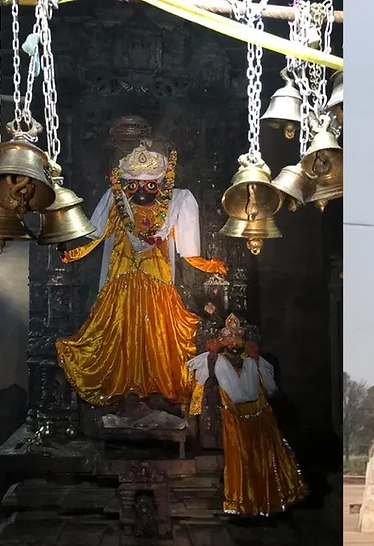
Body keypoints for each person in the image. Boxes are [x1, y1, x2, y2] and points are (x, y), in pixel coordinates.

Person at [57, 141, 226, 407]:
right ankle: (121, 385)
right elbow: (97, 235)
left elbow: (186, 246)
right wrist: (74, 253)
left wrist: (205, 264)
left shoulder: (174, 203)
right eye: (133, 185)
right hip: (121, 277)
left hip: (157, 279)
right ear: (124, 184)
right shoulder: (117, 203)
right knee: (116, 329)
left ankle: (155, 386)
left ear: (161, 185)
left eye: (149, 185)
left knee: (159, 332)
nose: (142, 191)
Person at [188, 314, 308, 516]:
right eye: (229, 339)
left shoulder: (252, 359)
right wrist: (196, 408)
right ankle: (243, 503)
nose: (233, 343)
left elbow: (270, 388)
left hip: (260, 417)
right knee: (241, 462)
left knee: (265, 459)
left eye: (237, 338)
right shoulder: (215, 359)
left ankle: (270, 501)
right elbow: (199, 384)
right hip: (233, 418)